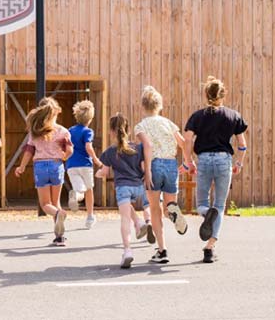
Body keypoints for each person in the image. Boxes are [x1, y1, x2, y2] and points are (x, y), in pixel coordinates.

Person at [184, 76, 247, 263]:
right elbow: (242, 144)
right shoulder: (233, 115)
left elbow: (187, 139)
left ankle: (206, 213)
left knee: (201, 203)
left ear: (206, 95)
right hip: (223, 161)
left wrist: (188, 161)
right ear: (223, 95)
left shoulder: (197, 116)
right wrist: (239, 163)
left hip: (203, 160)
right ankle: (209, 248)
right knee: (219, 205)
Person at [135, 86, 189, 264]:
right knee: (168, 206)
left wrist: (147, 169)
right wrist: (188, 162)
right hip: (171, 164)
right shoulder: (168, 123)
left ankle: (162, 249)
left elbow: (147, 147)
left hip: (155, 164)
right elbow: (182, 143)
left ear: (143, 106)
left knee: (155, 209)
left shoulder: (141, 126)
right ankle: (173, 212)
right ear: (160, 106)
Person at [15, 97, 73, 246]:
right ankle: (59, 237)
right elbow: (70, 150)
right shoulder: (63, 131)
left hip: (40, 167)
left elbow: (28, 151)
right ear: (57, 112)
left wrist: (21, 167)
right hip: (56, 165)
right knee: (56, 202)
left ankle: (58, 215)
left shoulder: (35, 131)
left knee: (46, 204)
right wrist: (64, 157)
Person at [96, 113, 150, 269]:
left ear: (112, 131)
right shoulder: (138, 148)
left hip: (122, 187)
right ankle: (140, 222)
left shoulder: (110, 152)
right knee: (131, 210)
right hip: (138, 186)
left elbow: (105, 172)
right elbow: (142, 167)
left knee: (124, 219)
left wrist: (98, 173)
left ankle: (127, 251)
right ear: (128, 129)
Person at [66, 100, 102, 229]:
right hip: (85, 164)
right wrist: (96, 160)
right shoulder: (88, 131)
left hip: (71, 164)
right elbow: (88, 147)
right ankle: (90, 217)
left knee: (79, 189)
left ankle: (76, 195)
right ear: (90, 118)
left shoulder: (70, 130)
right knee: (88, 190)